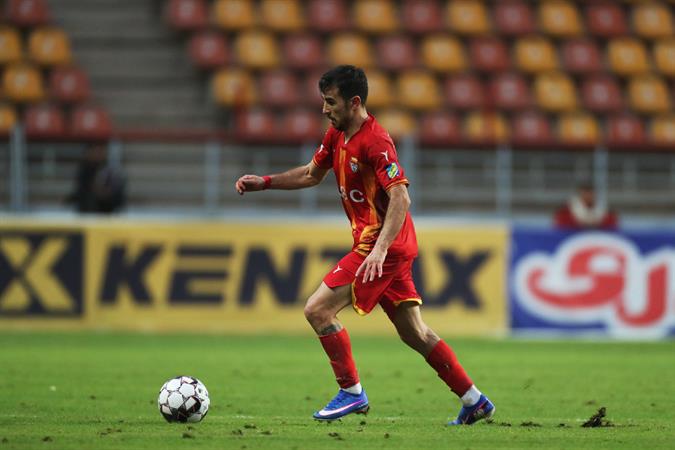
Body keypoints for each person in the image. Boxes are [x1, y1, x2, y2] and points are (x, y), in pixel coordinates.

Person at [235, 65, 494, 425]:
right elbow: (311, 174)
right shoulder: (336, 135)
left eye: (331, 102)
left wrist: (380, 249)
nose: (325, 109)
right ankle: (474, 400)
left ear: (354, 102)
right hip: (386, 247)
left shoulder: (376, 141)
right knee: (415, 333)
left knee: (318, 310)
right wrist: (265, 182)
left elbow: (401, 197)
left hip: (382, 246)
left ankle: (352, 392)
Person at [66, 143, 126, 214]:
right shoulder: (84, 170)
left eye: (100, 151)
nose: (97, 154)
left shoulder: (110, 170)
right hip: (87, 209)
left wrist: (107, 192)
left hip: (107, 209)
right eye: (95, 151)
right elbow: (81, 191)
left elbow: (117, 190)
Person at [554, 182, 618, 230]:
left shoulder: (607, 213)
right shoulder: (565, 213)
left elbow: (613, 228)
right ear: (579, 195)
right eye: (585, 194)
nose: (588, 197)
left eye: (590, 194)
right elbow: (560, 229)